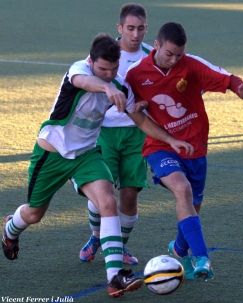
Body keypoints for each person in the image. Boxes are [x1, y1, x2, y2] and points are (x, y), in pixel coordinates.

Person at [1, 33, 193, 296]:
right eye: (103, 68)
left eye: (113, 69)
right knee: (34, 214)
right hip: (52, 153)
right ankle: (10, 229)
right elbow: (86, 81)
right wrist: (107, 87)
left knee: (108, 201)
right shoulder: (79, 70)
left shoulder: (120, 85)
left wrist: (170, 139)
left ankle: (115, 278)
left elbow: (140, 119)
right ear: (91, 61)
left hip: (86, 156)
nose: (108, 74)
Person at [125, 22, 243, 281]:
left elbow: (230, 81)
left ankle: (180, 248)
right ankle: (201, 256)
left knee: (193, 205)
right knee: (182, 189)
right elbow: (132, 111)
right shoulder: (135, 74)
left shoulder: (191, 64)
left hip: (195, 146)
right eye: (168, 54)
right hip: (160, 146)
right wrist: (136, 106)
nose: (174, 60)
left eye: (179, 55)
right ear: (156, 45)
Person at [79, 3, 153, 265]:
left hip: (136, 134)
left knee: (130, 194)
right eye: (130, 28)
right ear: (120, 28)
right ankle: (95, 236)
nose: (135, 34)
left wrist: (146, 104)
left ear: (147, 29)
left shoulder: (152, 57)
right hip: (104, 133)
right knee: (103, 191)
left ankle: (121, 245)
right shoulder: (106, 54)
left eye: (140, 28)